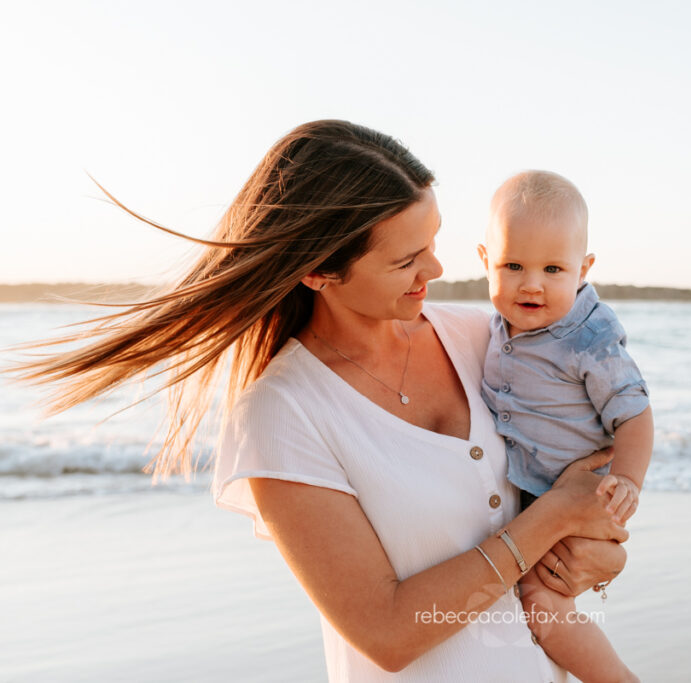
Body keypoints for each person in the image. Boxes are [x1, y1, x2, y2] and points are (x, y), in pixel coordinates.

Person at [12, 120, 629, 681]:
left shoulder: (485, 340)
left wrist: (597, 556)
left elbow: (584, 471)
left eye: (434, 241)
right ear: (319, 273)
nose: (435, 268)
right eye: (406, 259)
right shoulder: (283, 415)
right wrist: (548, 523)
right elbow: (387, 632)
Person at [477, 171, 654, 683]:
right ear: (485, 261)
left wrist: (627, 480)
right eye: (513, 265)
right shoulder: (492, 327)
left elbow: (635, 413)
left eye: (553, 268)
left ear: (583, 269)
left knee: (541, 604)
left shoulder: (588, 337)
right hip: (537, 494)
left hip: (580, 495)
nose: (531, 283)